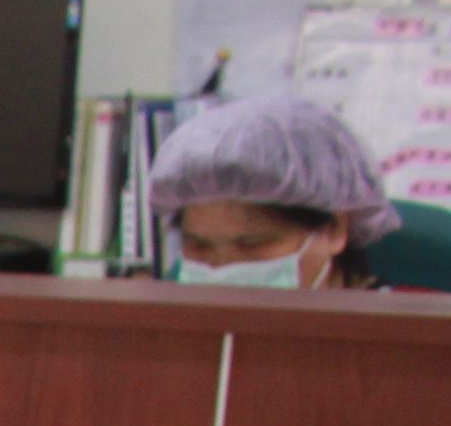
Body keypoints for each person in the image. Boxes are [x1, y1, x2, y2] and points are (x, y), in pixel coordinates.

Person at [145, 94, 398, 290]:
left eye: (251, 245)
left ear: (335, 230)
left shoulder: (413, 339)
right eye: (200, 245)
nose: (223, 269)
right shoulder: (174, 337)